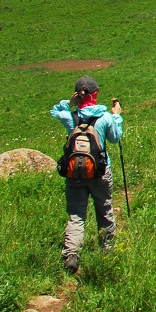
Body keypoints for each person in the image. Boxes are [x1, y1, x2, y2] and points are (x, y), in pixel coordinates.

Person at [50, 76, 123, 275]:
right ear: (96, 94)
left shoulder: (70, 117)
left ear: (77, 95)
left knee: (76, 215)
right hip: (100, 172)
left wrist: (70, 103)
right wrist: (116, 115)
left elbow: (56, 110)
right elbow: (115, 138)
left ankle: (71, 254)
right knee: (105, 211)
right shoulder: (105, 117)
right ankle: (107, 251)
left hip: (75, 174)